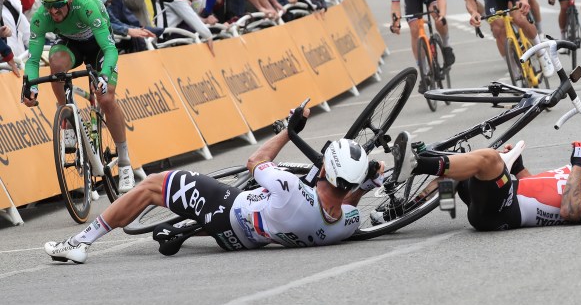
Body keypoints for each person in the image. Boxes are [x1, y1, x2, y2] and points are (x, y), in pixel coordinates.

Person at [42, 106, 386, 264]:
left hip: (227, 211)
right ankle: (180, 231)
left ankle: (79, 242)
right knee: (251, 206)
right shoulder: (344, 224)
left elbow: (255, 163)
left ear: (324, 168)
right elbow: (346, 202)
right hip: (244, 243)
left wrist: (289, 130)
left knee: (150, 186)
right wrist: (368, 184)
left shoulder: (289, 188)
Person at [387, 128, 581, 230]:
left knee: (489, 161)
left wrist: (578, 164)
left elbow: (569, 211)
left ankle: (415, 165)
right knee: (458, 166)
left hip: (501, 213)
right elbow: (540, 188)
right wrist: (520, 167)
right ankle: (397, 212)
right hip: (506, 193)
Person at [21, 0, 136, 192]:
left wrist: (103, 75)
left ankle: (124, 162)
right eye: (48, 6)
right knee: (55, 63)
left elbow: (110, 49)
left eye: (59, 5)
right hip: (71, 45)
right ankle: (67, 114)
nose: (53, 12)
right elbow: (33, 59)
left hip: (99, 47)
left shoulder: (87, 6)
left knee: (105, 98)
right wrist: (30, 86)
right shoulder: (41, 17)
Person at [388, 0, 455, 92]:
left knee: (436, 15)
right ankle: (424, 73)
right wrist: (396, 22)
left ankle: (446, 45)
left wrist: (442, 14)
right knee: (414, 30)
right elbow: (395, 2)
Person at [83, 0, 156, 53]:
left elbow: (115, 22)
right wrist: (128, 31)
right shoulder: (85, 7)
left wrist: (138, 30)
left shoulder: (104, 7)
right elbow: (103, 25)